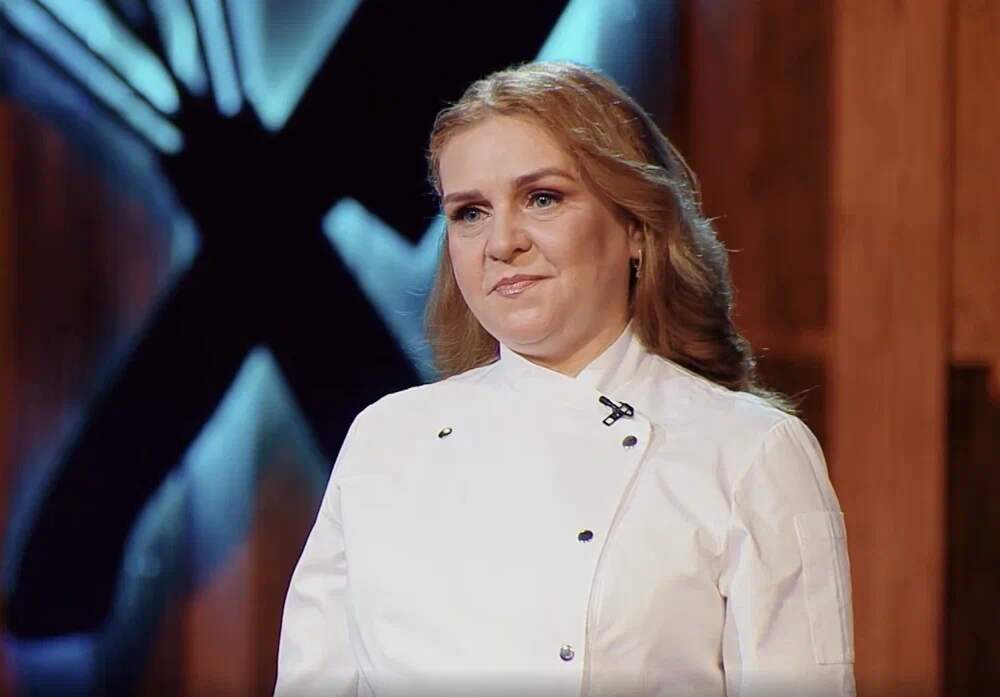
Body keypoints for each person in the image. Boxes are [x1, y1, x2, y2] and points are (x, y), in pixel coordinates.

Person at [273, 61, 855, 697]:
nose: (502, 243)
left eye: (542, 199)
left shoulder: (749, 452)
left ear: (636, 226)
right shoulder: (385, 438)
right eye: (470, 212)